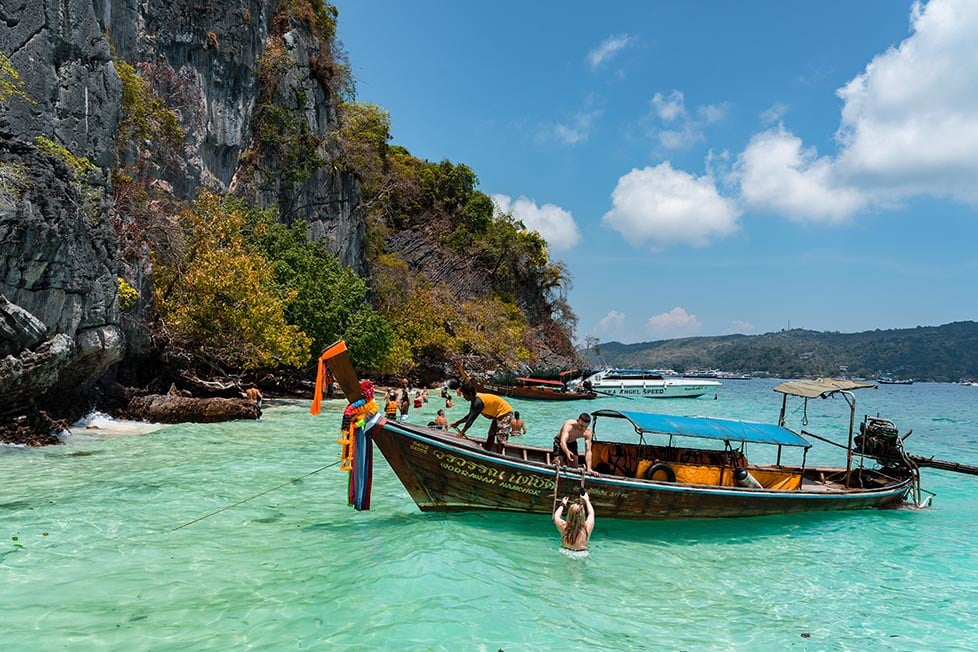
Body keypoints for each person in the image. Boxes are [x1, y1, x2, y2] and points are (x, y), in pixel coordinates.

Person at [449, 382, 513, 451]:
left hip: (505, 413)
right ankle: (487, 451)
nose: (464, 397)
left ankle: (499, 456)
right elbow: (469, 416)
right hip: (497, 415)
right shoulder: (474, 400)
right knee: (491, 434)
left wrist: (462, 433)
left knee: (500, 438)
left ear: (470, 394)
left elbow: (471, 419)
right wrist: (457, 423)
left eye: (464, 395)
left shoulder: (478, 402)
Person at [553, 491, 594, 555]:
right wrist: (587, 500)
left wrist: (563, 504)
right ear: (582, 515)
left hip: (566, 552)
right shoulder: (586, 528)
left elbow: (556, 516)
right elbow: (591, 513)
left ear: (569, 514)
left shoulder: (564, 527)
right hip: (582, 553)